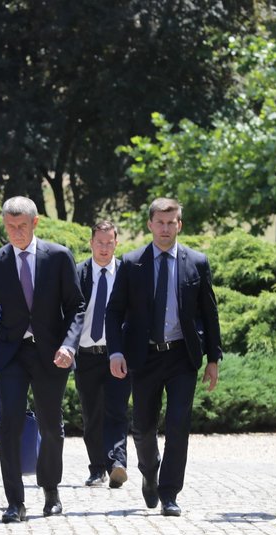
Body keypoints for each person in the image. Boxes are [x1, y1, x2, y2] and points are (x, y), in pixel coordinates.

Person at [105, 198, 221, 517]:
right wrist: (115, 351)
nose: (166, 228)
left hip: (183, 356)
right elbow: (113, 312)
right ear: (150, 224)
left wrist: (213, 358)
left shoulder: (196, 262)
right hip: (144, 357)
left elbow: (209, 314)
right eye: (160, 222)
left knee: (178, 423)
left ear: (179, 225)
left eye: (172, 222)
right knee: (142, 427)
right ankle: (150, 471)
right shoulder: (132, 263)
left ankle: (170, 493)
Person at [0, 196, 85, 523]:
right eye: (10, 227)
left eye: (21, 226)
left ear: (35, 223)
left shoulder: (59, 257)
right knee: (8, 424)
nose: (16, 232)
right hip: (11, 354)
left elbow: (77, 307)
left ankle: (51, 490)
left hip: (52, 354)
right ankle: (15, 502)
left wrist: (69, 346)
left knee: (50, 425)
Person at [75, 221, 131, 488]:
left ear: (116, 243)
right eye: (100, 242)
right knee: (92, 414)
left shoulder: (126, 273)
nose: (105, 248)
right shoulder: (80, 273)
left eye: (110, 242)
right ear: (91, 243)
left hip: (117, 353)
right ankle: (97, 468)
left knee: (117, 410)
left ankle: (117, 463)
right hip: (86, 354)